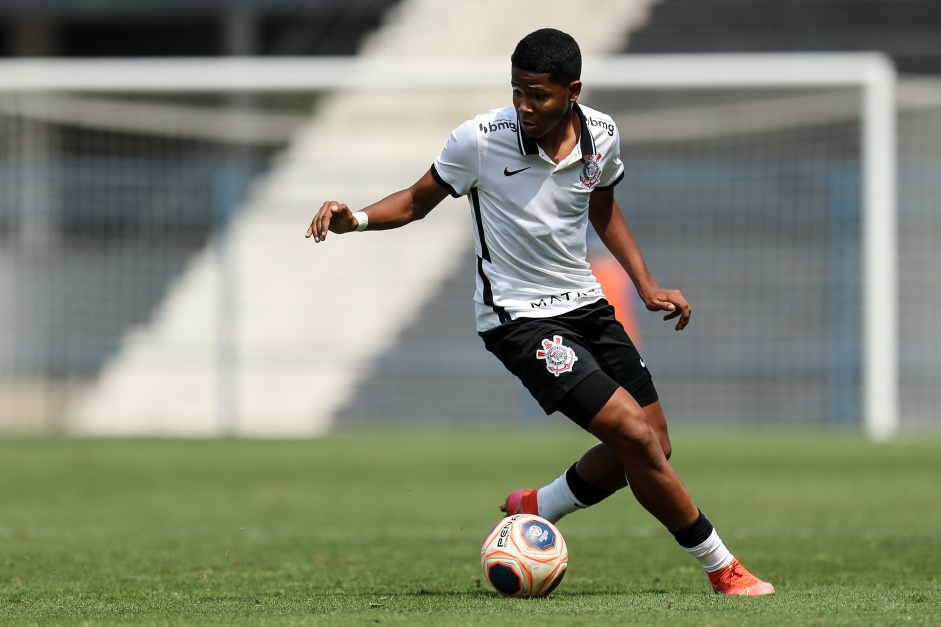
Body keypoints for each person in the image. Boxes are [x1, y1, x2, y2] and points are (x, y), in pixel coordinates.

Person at [306, 27, 774, 597]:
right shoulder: (479, 139)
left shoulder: (602, 134)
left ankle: (540, 504)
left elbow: (602, 206)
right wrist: (353, 217)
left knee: (655, 442)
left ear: (571, 90)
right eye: (517, 92)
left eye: (538, 95)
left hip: (586, 304)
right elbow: (414, 201)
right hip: (518, 320)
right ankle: (722, 567)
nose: (524, 106)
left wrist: (646, 286)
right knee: (632, 434)